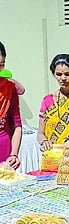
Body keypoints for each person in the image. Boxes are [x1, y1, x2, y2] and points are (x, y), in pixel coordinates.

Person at [0, 41, 22, 169]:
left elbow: (17, 124)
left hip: (4, 148)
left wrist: (14, 154)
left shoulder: (9, 87)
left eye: (1, 65)